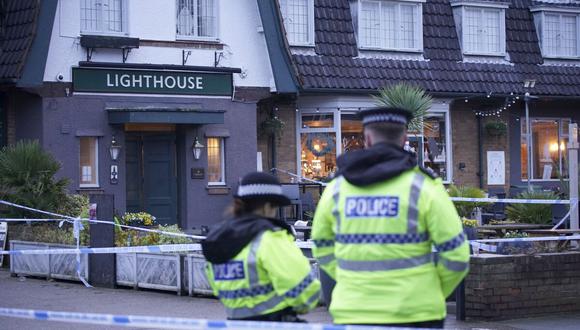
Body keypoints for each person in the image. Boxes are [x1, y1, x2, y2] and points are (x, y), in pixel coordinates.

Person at [311, 106, 469, 328]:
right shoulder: (424, 187)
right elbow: (457, 254)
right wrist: (430, 292)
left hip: (353, 312)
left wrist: (351, 281)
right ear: (404, 137)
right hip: (416, 314)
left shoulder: (337, 188)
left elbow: (321, 245)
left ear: (366, 138)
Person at [201, 172, 321, 322]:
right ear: (267, 206)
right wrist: (300, 306)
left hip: (234, 323)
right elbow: (303, 289)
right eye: (275, 206)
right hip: (275, 323)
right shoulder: (270, 238)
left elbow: (217, 287)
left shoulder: (218, 238)